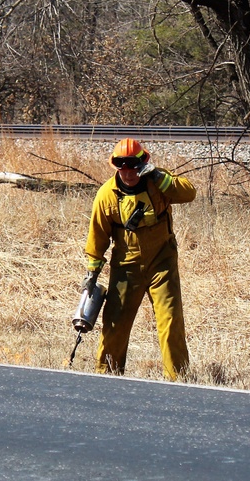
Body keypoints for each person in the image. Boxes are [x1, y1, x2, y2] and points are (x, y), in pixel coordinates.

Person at [81, 138, 196, 380]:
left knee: (170, 319)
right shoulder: (106, 195)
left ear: (142, 164)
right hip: (126, 266)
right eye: (123, 166)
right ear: (116, 167)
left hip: (162, 262)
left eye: (133, 165)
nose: (129, 172)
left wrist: (159, 177)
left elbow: (188, 193)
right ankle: (107, 378)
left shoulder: (158, 181)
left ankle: (179, 380)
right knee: (115, 325)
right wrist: (92, 273)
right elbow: (97, 236)